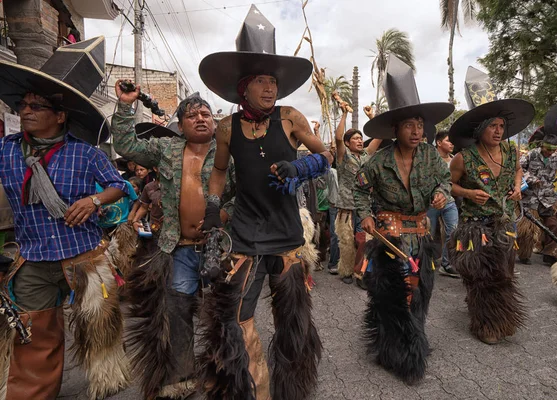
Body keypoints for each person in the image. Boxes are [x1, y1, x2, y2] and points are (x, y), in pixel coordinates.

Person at [197, 5, 332, 399]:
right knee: (237, 319)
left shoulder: (291, 118)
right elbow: (219, 171)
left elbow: (327, 156)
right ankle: (254, 390)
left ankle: (292, 387)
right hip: (245, 237)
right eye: (261, 81)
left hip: (289, 237)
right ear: (244, 88)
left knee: (294, 322)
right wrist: (213, 203)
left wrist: (300, 169)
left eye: (273, 80)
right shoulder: (226, 128)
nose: (270, 88)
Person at [0, 37, 130, 399]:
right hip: (33, 259)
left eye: (36, 106)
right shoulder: (6, 151)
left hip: (84, 256)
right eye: (22, 104)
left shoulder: (84, 153)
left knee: (99, 333)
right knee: (32, 336)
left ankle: (106, 383)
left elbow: (119, 186)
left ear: (59, 116)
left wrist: (93, 199)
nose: (25, 110)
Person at [112, 92, 236, 399]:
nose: (201, 118)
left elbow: (246, 194)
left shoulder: (228, 154)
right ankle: (183, 375)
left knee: (223, 312)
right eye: (192, 115)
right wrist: (126, 105)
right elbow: (126, 145)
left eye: (206, 114)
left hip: (218, 246)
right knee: (177, 312)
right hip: (177, 247)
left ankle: (225, 371)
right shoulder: (164, 148)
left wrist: (223, 213)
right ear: (180, 125)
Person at [355, 55, 454, 384]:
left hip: (421, 236)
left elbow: (446, 181)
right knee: (391, 295)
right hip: (390, 237)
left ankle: (414, 343)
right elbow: (358, 190)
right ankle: (389, 348)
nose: (416, 130)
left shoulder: (431, 156)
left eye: (419, 124)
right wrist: (365, 216)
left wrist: (442, 194)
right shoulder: (379, 161)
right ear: (395, 129)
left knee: (421, 291)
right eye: (409, 125)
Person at [448, 67, 534, 345]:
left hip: (504, 224)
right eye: (492, 126)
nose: (498, 131)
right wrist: (468, 193)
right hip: (475, 229)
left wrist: (517, 188)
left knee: (503, 273)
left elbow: (519, 170)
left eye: (501, 126)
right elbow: (447, 185)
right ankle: (485, 324)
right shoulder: (464, 158)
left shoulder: (510, 151)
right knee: (482, 276)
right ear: (480, 129)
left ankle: (500, 317)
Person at [334, 103, 380, 285]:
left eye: (361, 138)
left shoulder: (367, 155)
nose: (360, 141)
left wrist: (372, 117)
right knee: (346, 243)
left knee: (364, 241)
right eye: (355, 138)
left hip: (364, 208)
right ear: (347, 143)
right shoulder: (343, 156)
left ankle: (360, 274)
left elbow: (379, 136)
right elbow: (338, 138)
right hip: (346, 207)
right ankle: (345, 271)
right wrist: (345, 113)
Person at [520, 134, 557, 265]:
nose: (550, 153)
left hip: (548, 198)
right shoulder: (531, 155)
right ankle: (524, 253)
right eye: (548, 150)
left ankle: (549, 253)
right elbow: (519, 169)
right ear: (542, 146)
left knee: (556, 223)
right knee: (528, 229)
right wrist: (532, 179)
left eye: (553, 150)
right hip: (531, 197)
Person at [427, 130, 459, 277]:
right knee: (429, 233)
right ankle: (426, 262)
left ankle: (446, 264)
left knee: (453, 231)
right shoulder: (428, 159)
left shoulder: (455, 160)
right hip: (431, 203)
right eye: (448, 141)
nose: (452, 143)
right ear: (439, 143)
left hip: (450, 201)